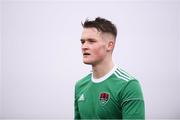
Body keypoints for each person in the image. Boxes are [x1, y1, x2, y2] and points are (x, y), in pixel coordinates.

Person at [74, 17, 145, 119]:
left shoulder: (128, 85)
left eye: (91, 41)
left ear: (109, 45)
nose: (84, 46)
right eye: (82, 42)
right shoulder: (80, 85)